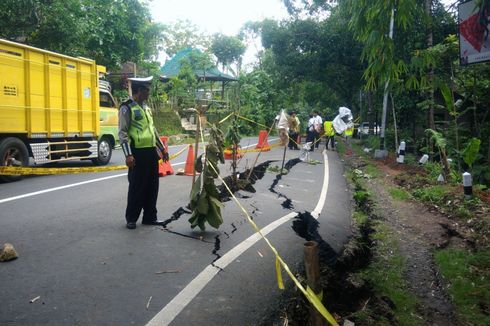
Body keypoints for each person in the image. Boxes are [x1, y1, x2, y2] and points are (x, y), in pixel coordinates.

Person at [118, 76, 169, 230]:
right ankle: (131, 218)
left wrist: (162, 149)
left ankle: (150, 217)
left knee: (152, 186)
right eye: (147, 90)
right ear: (139, 91)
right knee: (137, 187)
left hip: (151, 152)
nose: (149, 93)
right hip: (137, 153)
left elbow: (152, 130)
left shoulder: (146, 107)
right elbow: (123, 133)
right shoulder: (126, 107)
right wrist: (128, 155)